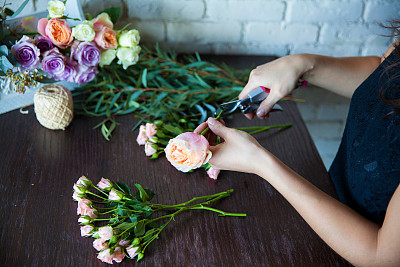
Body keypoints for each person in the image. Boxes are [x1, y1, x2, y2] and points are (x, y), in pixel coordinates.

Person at [194, 23, 400, 266]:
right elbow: (384, 74)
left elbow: (381, 256)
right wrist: (303, 64)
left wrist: (259, 162)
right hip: (330, 196)